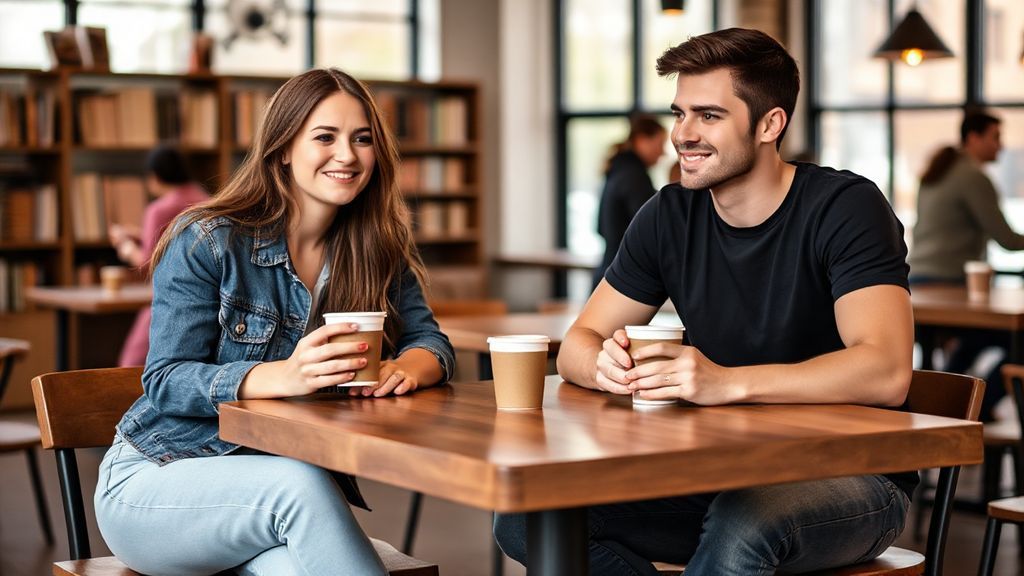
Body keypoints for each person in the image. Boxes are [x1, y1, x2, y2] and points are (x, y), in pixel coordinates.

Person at [495, 28, 914, 575]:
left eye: (709, 116)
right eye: (679, 113)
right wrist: (606, 368)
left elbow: (885, 371)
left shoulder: (845, 207)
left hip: (855, 475)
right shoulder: (669, 214)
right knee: (528, 517)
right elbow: (579, 342)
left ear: (770, 124)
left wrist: (725, 382)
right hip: (724, 468)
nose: (683, 135)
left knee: (747, 519)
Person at [94, 68, 455, 576]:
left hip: (267, 504)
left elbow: (428, 339)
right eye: (325, 137)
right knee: (300, 484)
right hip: (158, 482)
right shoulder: (208, 240)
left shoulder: (376, 250)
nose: (347, 155)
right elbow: (164, 380)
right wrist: (284, 376)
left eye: (362, 139)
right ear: (283, 148)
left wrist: (412, 367)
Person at [908, 110, 1022, 421]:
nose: (1001, 145)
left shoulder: (938, 171)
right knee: (1016, 343)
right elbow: (1007, 239)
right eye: (995, 137)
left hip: (917, 282)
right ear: (973, 138)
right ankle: (973, 411)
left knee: (971, 341)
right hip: (951, 284)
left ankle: (946, 407)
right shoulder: (971, 176)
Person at [108, 145, 209, 367]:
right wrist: (138, 234)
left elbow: (147, 262)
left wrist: (125, 246)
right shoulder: (206, 200)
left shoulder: (159, 209)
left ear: (154, 176)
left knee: (131, 364)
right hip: (208, 298)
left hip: (168, 298)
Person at [591, 114, 668, 290]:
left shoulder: (619, 170)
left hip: (608, 271)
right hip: (621, 281)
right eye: (660, 144)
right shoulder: (633, 177)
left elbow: (600, 228)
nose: (663, 153)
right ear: (641, 140)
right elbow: (652, 226)